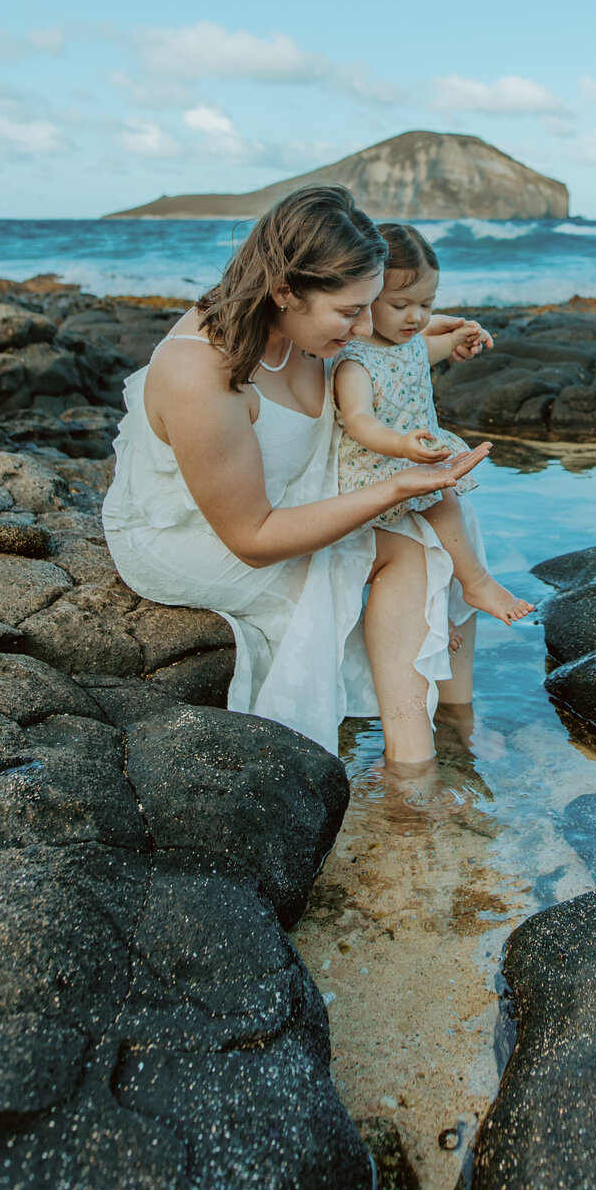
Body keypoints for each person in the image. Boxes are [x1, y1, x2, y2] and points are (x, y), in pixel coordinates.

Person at [102, 185, 491, 768]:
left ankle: (455, 720)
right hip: (196, 534)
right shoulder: (200, 372)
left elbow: (386, 348)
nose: (364, 329)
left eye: (371, 305)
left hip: (287, 496)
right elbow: (252, 540)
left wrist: (435, 335)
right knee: (407, 549)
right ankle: (415, 767)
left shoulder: (307, 324)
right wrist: (392, 487)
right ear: (285, 289)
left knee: (446, 522)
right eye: (351, 311)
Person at [333, 223, 533, 627]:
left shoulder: (408, 342)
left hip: (411, 455)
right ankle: (476, 583)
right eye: (401, 305)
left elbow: (434, 350)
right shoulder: (355, 361)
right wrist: (401, 445)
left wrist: (466, 337)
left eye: (427, 304)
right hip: (375, 467)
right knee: (444, 500)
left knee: (434, 527)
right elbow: (358, 420)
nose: (416, 316)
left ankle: (434, 618)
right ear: (366, 297)